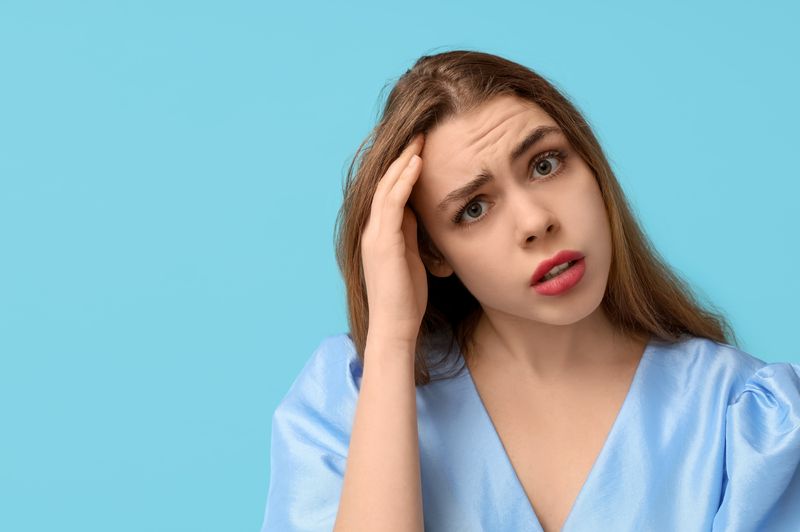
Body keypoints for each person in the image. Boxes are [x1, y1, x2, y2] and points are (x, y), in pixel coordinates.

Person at [259, 50, 800, 531]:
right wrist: (392, 345)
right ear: (432, 253)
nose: (535, 221)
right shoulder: (348, 400)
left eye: (545, 164)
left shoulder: (746, 419)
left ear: (591, 164)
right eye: (473, 208)